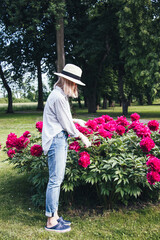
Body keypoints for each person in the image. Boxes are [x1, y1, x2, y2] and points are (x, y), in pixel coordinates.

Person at [42, 63, 91, 233]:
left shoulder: (59, 95)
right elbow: (66, 125)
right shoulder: (59, 97)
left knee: (57, 179)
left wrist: (77, 122)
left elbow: (64, 119)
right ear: (68, 81)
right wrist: (83, 137)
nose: (76, 86)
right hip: (56, 140)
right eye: (74, 82)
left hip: (58, 138)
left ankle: (54, 215)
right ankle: (50, 221)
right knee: (55, 180)